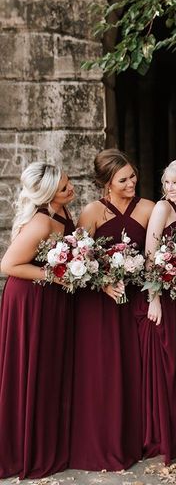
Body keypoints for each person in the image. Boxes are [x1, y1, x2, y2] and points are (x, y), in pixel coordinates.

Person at [69, 148, 154, 470]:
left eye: (133, 176)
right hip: (99, 304)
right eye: (124, 179)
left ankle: (133, 438)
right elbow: (78, 258)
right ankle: (100, 438)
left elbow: (153, 255)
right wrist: (103, 281)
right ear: (106, 182)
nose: (132, 182)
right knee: (102, 370)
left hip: (134, 301)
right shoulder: (91, 212)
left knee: (132, 368)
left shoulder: (147, 208)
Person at [0, 162, 75, 478]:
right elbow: (8, 265)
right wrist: (56, 275)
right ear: (49, 195)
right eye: (64, 188)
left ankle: (47, 438)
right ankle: (23, 446)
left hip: (50, 296)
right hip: (29, 298)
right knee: (32, 367)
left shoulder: (64, 214)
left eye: (68, 183)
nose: (70, 189)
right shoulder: (41, 224)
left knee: (48, 368)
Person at [136, 157, 176, 463]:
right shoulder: (163, 209)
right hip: (162, 295)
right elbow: (150, 255)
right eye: (167, 183)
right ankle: (163, 433)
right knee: (166, 362)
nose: (170, 188)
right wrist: (154, 298)